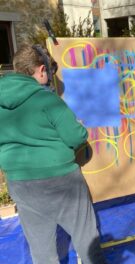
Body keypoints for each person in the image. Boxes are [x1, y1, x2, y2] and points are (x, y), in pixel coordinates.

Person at [0, 45, 105, 264]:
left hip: (20, 182)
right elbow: (75, 137)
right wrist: (78, 127)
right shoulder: (47, 100)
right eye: (47, 73)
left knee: (41, 250)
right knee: (87, 240)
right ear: (39, 70)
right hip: (61, 180)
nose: (49, 78)